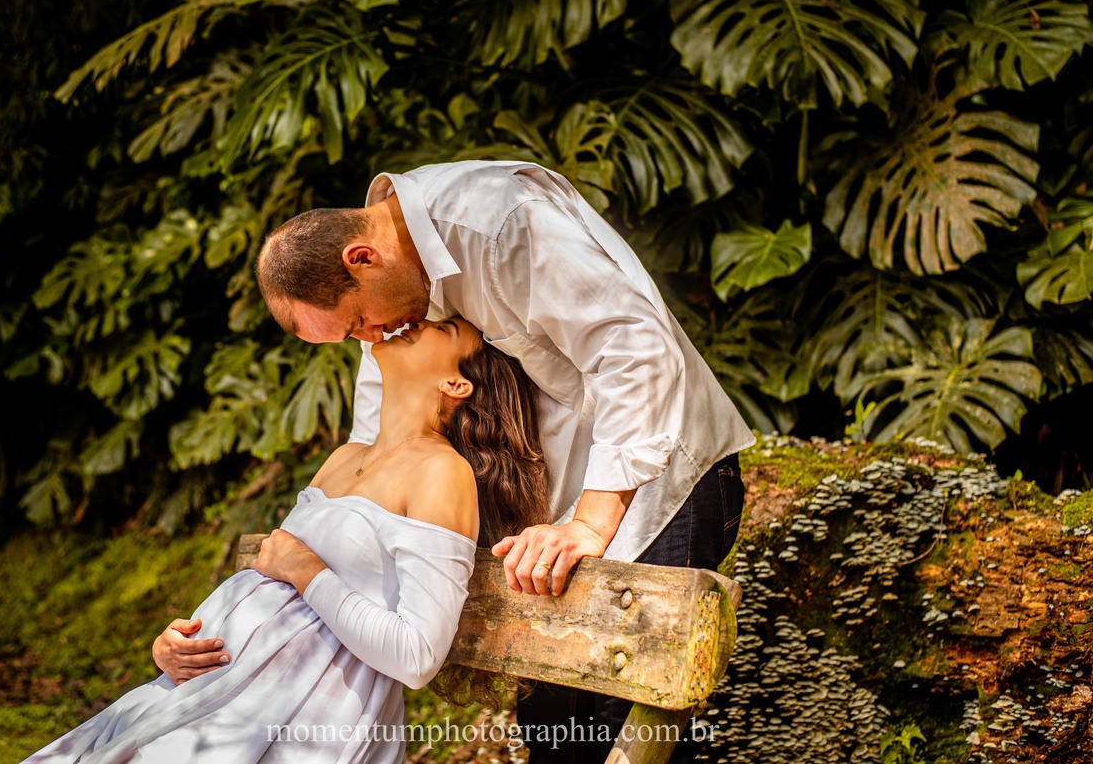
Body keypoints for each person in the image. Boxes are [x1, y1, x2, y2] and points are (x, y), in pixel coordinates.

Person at [161, 160, 754, 762]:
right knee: (553, 727)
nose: (371, 340)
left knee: (623, 718)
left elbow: (634, 347)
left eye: (359, 323)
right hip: (545, 517)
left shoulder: (499, 221)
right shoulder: (394, 315)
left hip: (657, 485)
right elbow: (378, 461)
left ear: (362, 258)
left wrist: (588, 525)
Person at [21, 318, 550, 764]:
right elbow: (274, 585)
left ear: (456, 385)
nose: (420, 321)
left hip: (296, 712)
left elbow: (416, 656)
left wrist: (306, 571)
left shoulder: (442, 472)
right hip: (216, 692)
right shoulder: (345, 458)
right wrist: (174, 650)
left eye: (444, 328)